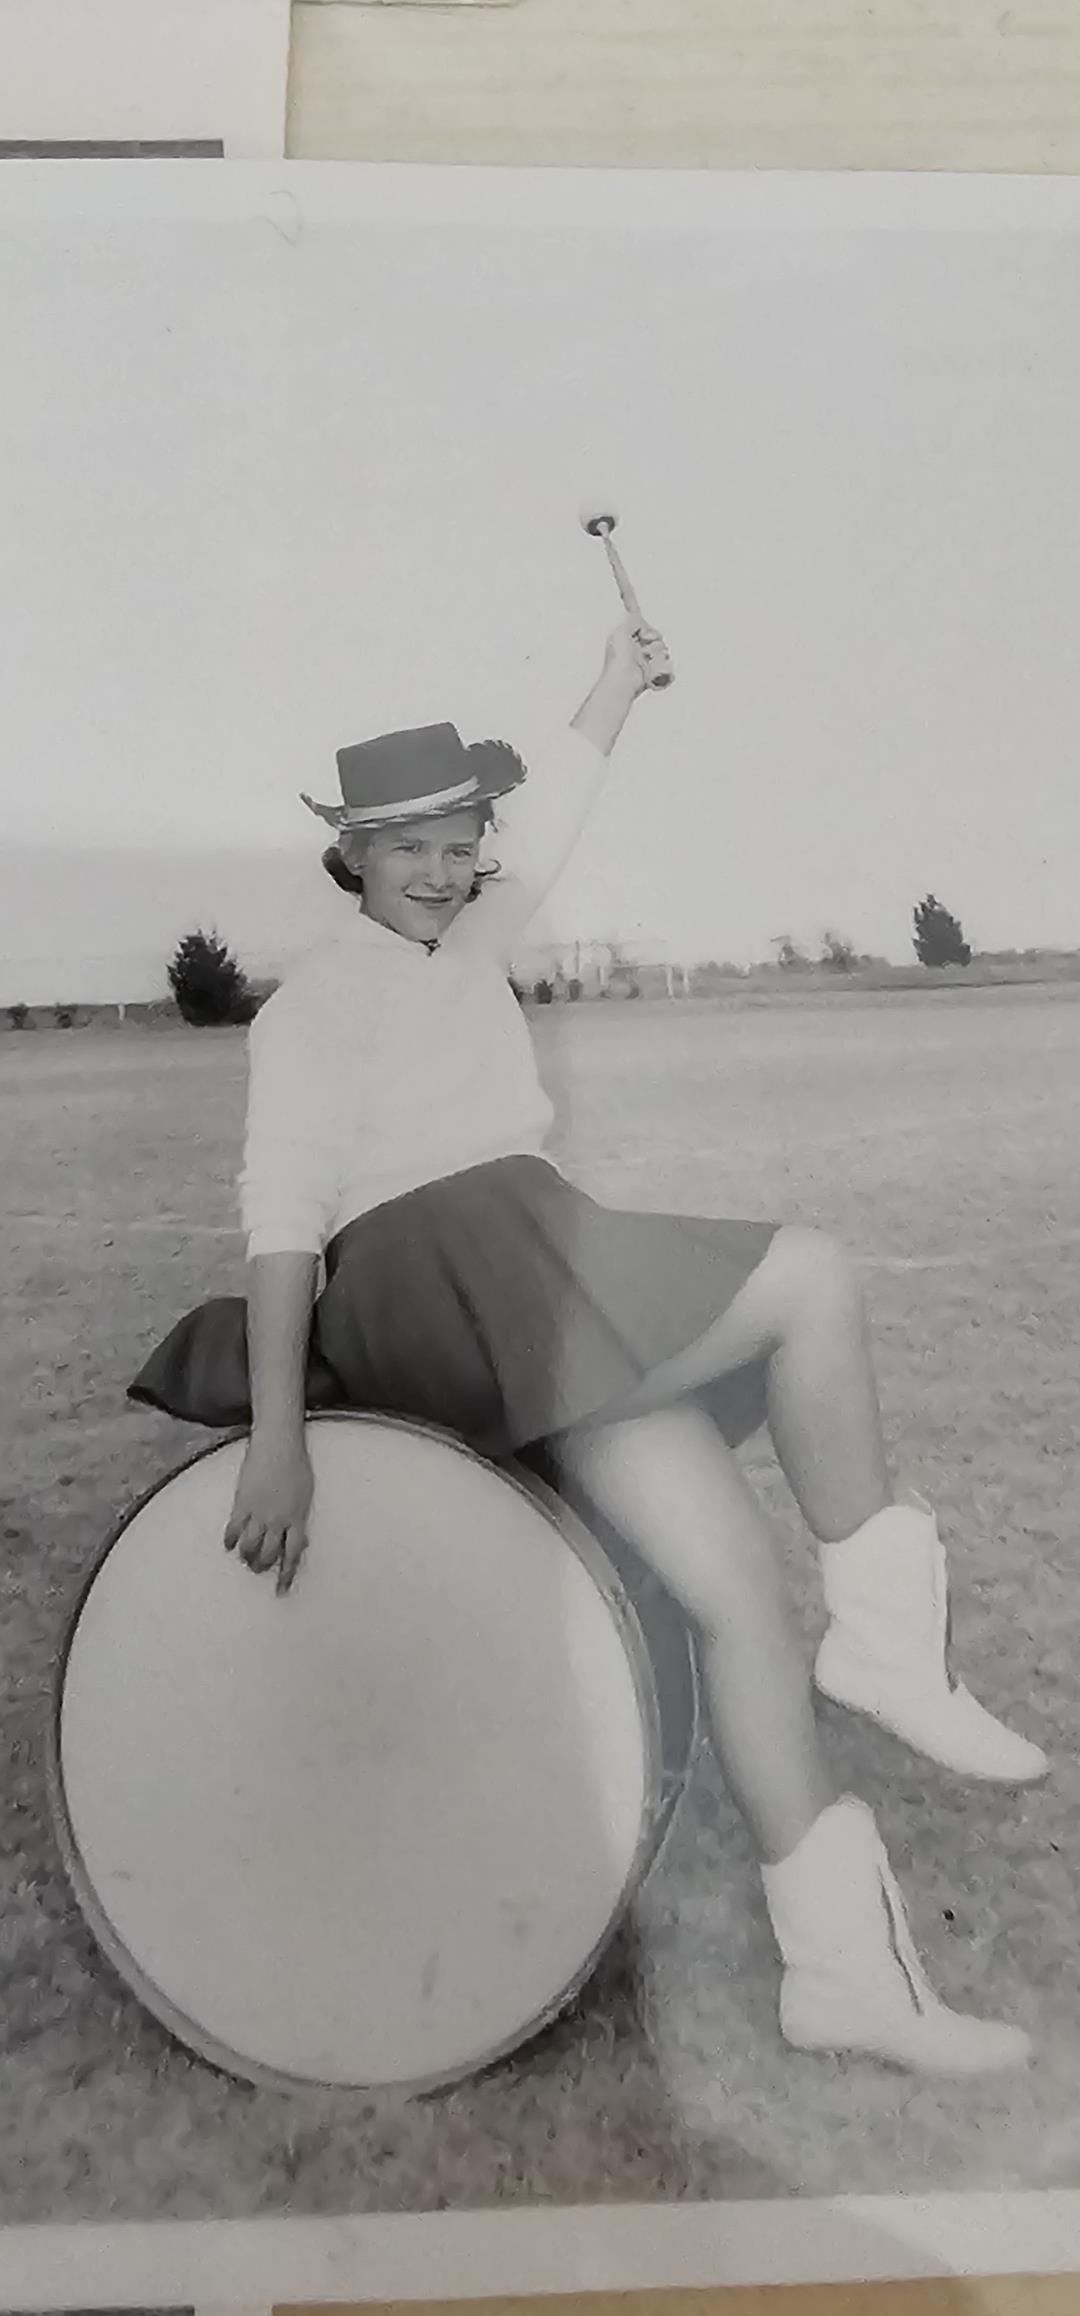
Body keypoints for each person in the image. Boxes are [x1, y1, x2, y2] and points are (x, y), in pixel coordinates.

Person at [130, 616, 1046, 2080]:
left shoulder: (482, 937)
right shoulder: (311, 1005)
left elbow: (555, 810)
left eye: (460, 840)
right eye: (409, 844)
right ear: (351, 857)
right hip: (434, 1282)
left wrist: (617, 683)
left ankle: (842, 1979)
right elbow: (283, 1221)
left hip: (533, 1278)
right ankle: (886, 1651)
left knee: (739, 1584)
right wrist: (286, 1442)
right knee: (809, 1273)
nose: (443, 867)